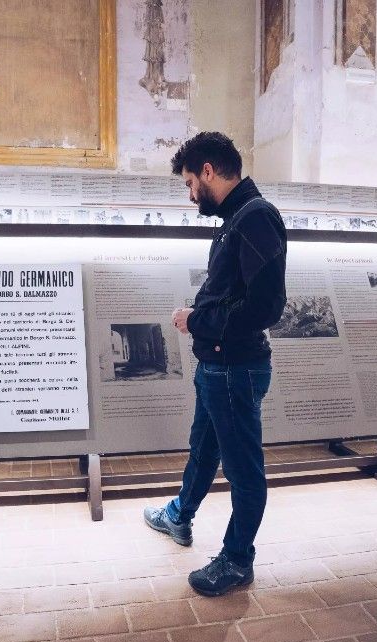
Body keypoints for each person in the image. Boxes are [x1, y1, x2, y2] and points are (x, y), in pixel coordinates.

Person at [143, 132, 287, 597]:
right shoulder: (236, 219)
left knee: (243, 470)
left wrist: (196, 320)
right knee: (203, 449)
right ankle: (179, 515)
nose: (190, 195)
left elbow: (265, 307)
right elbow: (233, 294)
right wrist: (199, 317)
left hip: (234, 370)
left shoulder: (256, 216)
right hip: (218, 367)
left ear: (208, 171)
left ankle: (237, 559)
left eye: (190, 183)